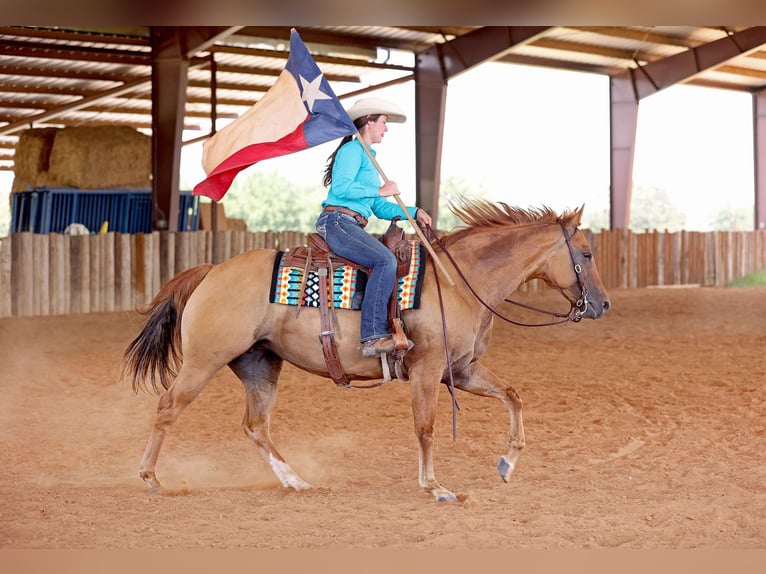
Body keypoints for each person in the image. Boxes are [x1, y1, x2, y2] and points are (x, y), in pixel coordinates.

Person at [315, 97, 433, 357]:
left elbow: (379, 208)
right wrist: (379, 189)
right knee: (385, 261)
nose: (386, 128)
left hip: (351, 222)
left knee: (383, 260)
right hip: (337, 221)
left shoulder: (368, 157)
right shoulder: (352, 151)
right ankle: (372, 336)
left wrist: (414, 212)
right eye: (383, 122)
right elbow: (341, 187)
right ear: (368, 122)